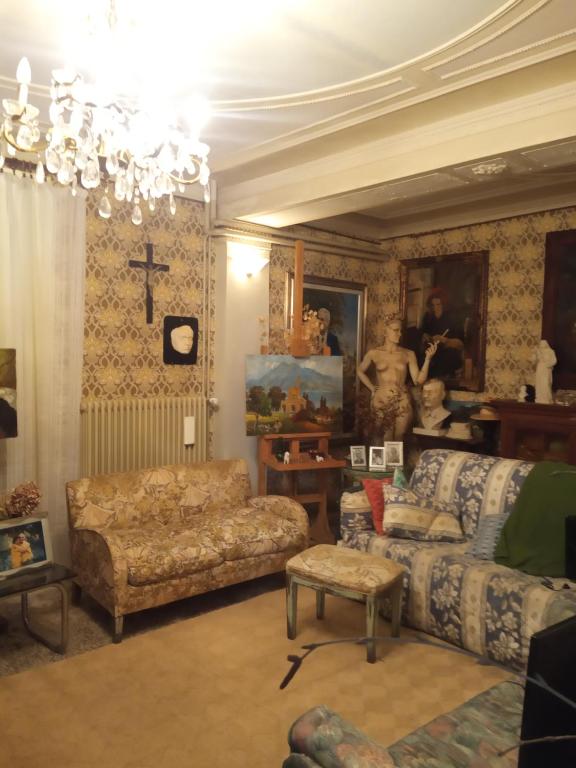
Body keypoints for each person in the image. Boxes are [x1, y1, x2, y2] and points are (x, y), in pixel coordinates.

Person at [357, 314, 438, 439]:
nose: (399, 334)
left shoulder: (408, 354)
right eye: (396, 330)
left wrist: (428, 359)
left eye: (400, 331)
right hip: (381, 400)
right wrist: (372, 388)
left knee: (400, 437)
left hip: (402, 400)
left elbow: (418, 381)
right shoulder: (374, 353)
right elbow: (359, 370)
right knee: (385, 437)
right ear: (385, 332)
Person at [420, 288, 466, 381]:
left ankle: (441, 379)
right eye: (432, 305)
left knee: (449, 356)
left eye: (438, 304)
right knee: (421, 356)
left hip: (447, 351)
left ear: (444, 305)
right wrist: (425, 337)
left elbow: (461, 344)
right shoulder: (427, 317)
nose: (435, 308)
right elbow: (422, 333)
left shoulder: (452, 318)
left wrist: (445, 340)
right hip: (431, 351)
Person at [534, 340, 556, 404]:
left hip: (546, 369)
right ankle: (539, 397)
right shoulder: (538, 351)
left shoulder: (551, 351)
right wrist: (536, 353)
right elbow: (534, 360)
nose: (542, 344)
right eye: (541, 343)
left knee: (545, 383)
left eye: (543, 343)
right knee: (539, 382)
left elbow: (554, 360)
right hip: (540, 367)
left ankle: (546, 398)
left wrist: (548, 364)